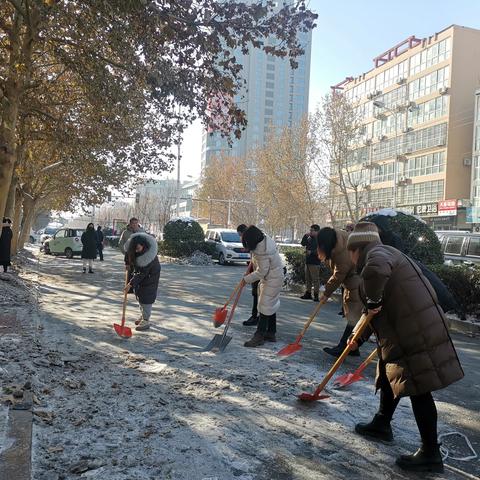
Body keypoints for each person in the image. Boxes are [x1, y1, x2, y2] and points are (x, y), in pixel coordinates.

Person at [346, 222, 464, 473]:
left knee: (419, 388)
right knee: (389, 370)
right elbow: (374, 311)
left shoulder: (377, 254)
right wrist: (358, 336)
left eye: (350, 251)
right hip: (410, 326)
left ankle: (430, 453)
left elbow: (375, 285)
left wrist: (374, 299)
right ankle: (382, 423)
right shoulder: (387, 254)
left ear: (358, 247)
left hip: (414, 330)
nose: (350, 257)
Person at [316, 226, 363, 357]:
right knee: (354, 315)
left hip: (358, 281)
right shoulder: (338, 238)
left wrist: (326, 293)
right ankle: (353, 348)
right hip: (354, 279)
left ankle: (344, 346)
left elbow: (338, 275)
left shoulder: (342, 252)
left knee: (354, 316)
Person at [242, 226, 284, 347]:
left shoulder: (262, 251)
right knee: (270, 304)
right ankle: (271, 333)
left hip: (272, 278)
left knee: (264, 305)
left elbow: (261, 272)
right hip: (274, 276)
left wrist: (246, 279)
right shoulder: (263, 242)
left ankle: (259, 335)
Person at [124, 232, 161, 331]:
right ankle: (143, 316)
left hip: (150, 278)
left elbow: (141, 274)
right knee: (140, 298)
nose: (136, 251)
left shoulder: (148, 258)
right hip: (142, 277)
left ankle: (146, 319)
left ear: (143, 245)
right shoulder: (137, 250)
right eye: (135, 249)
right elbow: (128, 255)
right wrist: (127, 263)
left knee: (146, 299)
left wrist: (130, 284)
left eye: (138, 248)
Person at [237, 224, 259, 326]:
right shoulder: (253, 242)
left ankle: (255, 317)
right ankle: (255, 316)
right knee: (256, 294)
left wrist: (248, 277)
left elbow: (260, 266)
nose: (241, 238)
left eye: (240, 235)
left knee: (258, 295)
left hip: (261, 274)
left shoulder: (255, 243)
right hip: (256, 271)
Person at [300, 224, 322, 301]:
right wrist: (305, 236)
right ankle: (308, 293)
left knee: (315, 279)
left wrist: (311, 252)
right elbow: (303, 243)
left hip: (315, 262)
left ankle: (316, 295)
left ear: (317, 231)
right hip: (308, 261)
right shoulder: (310, 238)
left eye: (312, 230)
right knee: (308, 279)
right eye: (310, 230)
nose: (310, 232)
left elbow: (320, 250)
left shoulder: (320, 239)